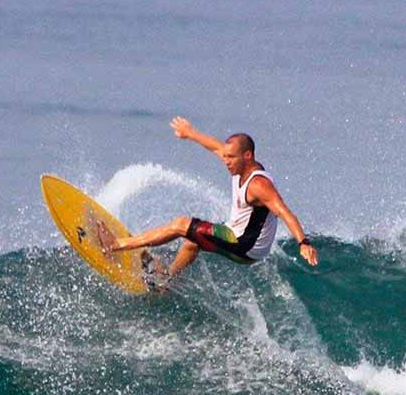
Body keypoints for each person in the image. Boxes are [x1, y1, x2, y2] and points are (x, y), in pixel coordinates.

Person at [103, 117, 318, 282]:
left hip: (245, 246)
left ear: (248, 156)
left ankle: (118, 245)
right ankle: (166, 279)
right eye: (225, 156)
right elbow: (216, 146)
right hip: (235, 234)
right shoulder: (238, 165)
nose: (226, 161)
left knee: (182, 224)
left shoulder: (259, 185)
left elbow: (284, 212)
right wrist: (190, 133)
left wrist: (303, 242)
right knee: (191, 242)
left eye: (231, 157)